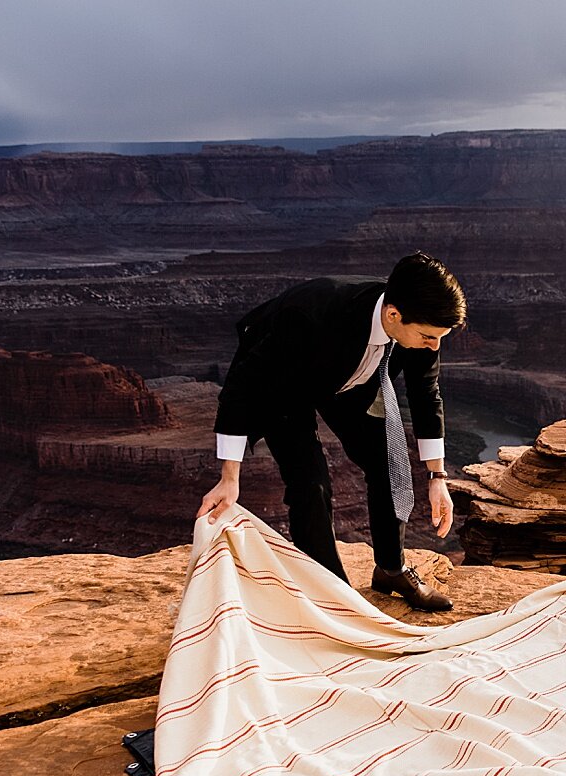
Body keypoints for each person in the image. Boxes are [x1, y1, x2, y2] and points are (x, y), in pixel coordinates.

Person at [197, 253, 466, 611]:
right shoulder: (310, 316)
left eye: (439, 339)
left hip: (350, 382)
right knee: (311, 483)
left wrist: (437, 476)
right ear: (393, 315)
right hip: (286, 382)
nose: (434, 346)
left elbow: (426, 393)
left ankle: (391, 568)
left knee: (388, 460)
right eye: (429, 337)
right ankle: (330, 594)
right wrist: (229, 476)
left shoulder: (420, 324)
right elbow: (241, 388)